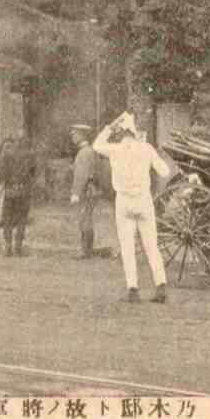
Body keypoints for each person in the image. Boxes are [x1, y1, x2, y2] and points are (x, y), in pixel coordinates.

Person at [93, 111, 171, 303]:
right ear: (135, 132)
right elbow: (165, 171)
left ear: (120, 134)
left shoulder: (115, 149)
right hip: (144, 199)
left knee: (128, 247)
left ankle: (133, 290)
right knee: (151, 245)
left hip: (124, 201)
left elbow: (96, 145)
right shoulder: (146, 148)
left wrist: (109, 128)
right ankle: (160, 286)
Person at [0, 137, 37, 256]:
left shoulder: (6, 155)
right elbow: (33, 173)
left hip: (10, 192)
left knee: (7, 220)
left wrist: (0, 182)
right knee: (22, 219)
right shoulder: (29, 156)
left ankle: (8, 247)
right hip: (24, 192)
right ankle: (18, 246)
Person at [68, 124, 99, 259]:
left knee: (84, 220)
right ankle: (87, 250)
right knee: (87, 219)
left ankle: (85, 251)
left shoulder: (84, 152)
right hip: (89, 190)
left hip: (85, 192)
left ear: (82, 135)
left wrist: (75, 193)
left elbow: (81, 175)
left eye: (75, 134)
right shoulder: (88, 151)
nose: (72, 137)